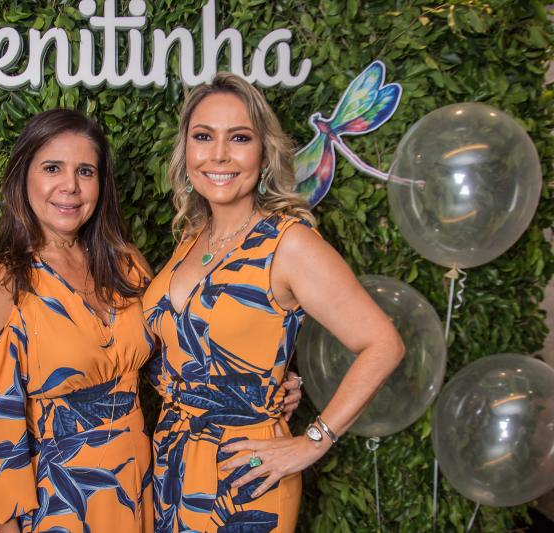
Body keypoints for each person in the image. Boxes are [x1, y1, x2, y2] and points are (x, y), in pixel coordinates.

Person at [0, 108, 304, 531]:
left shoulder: (125, 266)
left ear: (101, 184)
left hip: (142, 486)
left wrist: (259, 385)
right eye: (52, 168)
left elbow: (176, 359)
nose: (70, 186)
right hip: (60, 500)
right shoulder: (2, 283)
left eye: (85, 171)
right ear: (23, 177)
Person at [142, 73, 405, 532]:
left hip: (246, 476)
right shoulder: (192, 237)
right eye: (203, 136)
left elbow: (384, 344)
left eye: (239, 138)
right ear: (186, 150)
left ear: (264, 153)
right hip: (173, 464)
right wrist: (269, 376)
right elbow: (191, 347)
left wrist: (314, 440)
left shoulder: (289, 243)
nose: (219, 154)